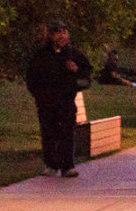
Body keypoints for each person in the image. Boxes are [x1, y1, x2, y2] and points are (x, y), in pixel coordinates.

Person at [25, 22, 90, 178]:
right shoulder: (41, 56)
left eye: (64, 32)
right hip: (46, 102)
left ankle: (67, 166)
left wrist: (76, 70)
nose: (61, 36)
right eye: (57, 32)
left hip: (66, 101)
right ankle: (51, 165)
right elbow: (31, 77)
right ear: (50, 36)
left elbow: (86, 74)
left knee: (67, 133)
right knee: (49, 133)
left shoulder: (73, 54)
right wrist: (38, 95)